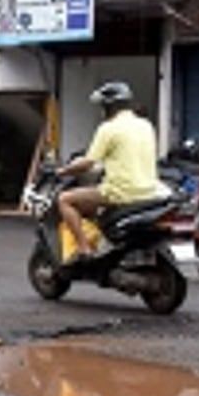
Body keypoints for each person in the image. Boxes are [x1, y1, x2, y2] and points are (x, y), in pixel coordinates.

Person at [56, 80, 161, 261]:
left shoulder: (108, 128)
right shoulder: (146, 125)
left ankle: (84, 248)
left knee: (65, 200)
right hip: (150, 191)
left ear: (108, 106)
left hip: (121, 192)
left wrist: (64, 171)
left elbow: (88, 163)